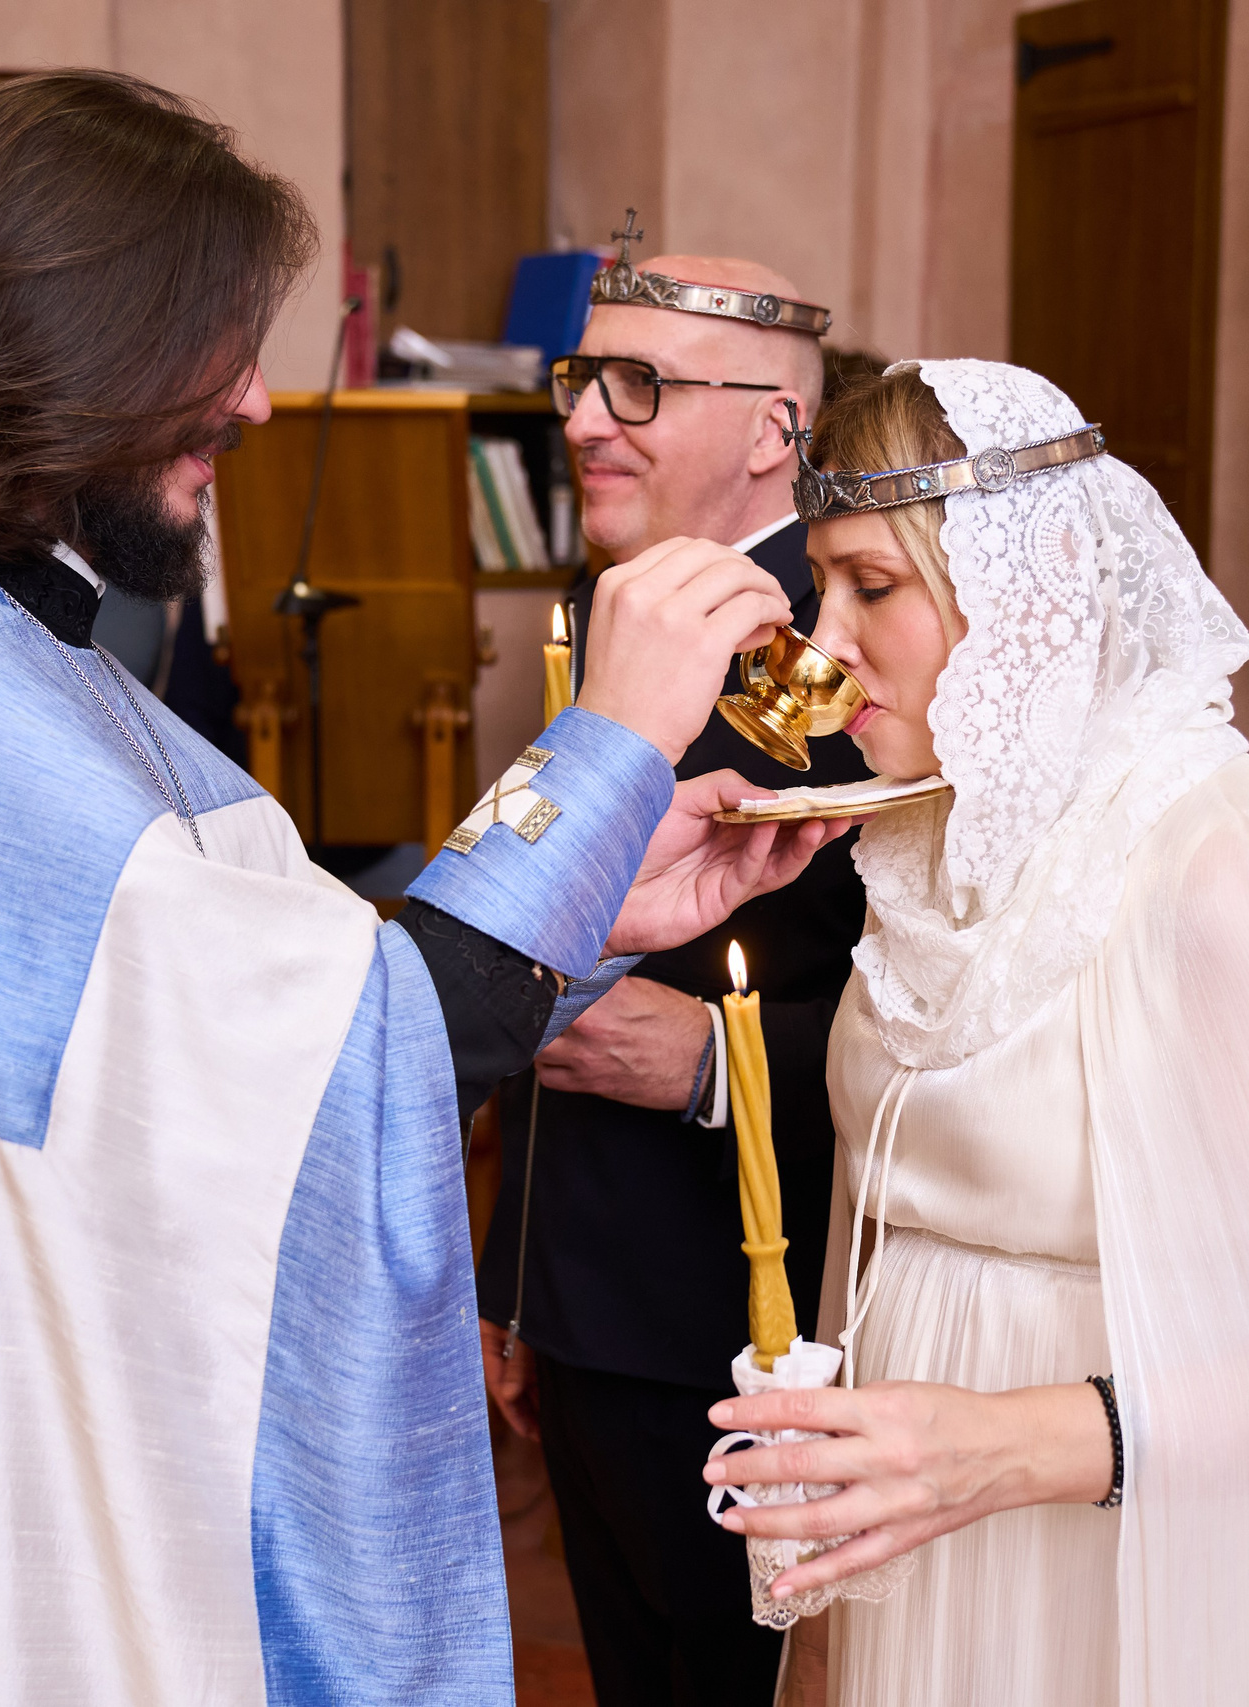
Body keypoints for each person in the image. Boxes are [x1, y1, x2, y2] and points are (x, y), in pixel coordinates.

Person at [0, 72, 851, 1705]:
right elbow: (327, 1059)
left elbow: (225, 1002)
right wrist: (611, 751)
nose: (257, 406)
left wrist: (590, 906)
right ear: (87, 344)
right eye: (216, 345)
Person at [703, 362, 1249, 1705]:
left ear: (1031, 582)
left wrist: (1009, 1449)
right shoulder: (915, 841)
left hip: (1131, 1562)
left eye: (873, 588)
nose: (822, 651)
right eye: (816, 591)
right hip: (932, 1556)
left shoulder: (1227, 863)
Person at [473, 240, 871, 1706]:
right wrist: (512, 1281)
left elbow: (956, 1015)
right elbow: (532, 954)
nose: (583, 419)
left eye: (637, 384)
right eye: (584, 379)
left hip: (746, 1327)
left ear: (774, 427)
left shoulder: (853, 657)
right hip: (578, 1298)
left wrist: (717, 1066)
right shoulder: (612, 624)